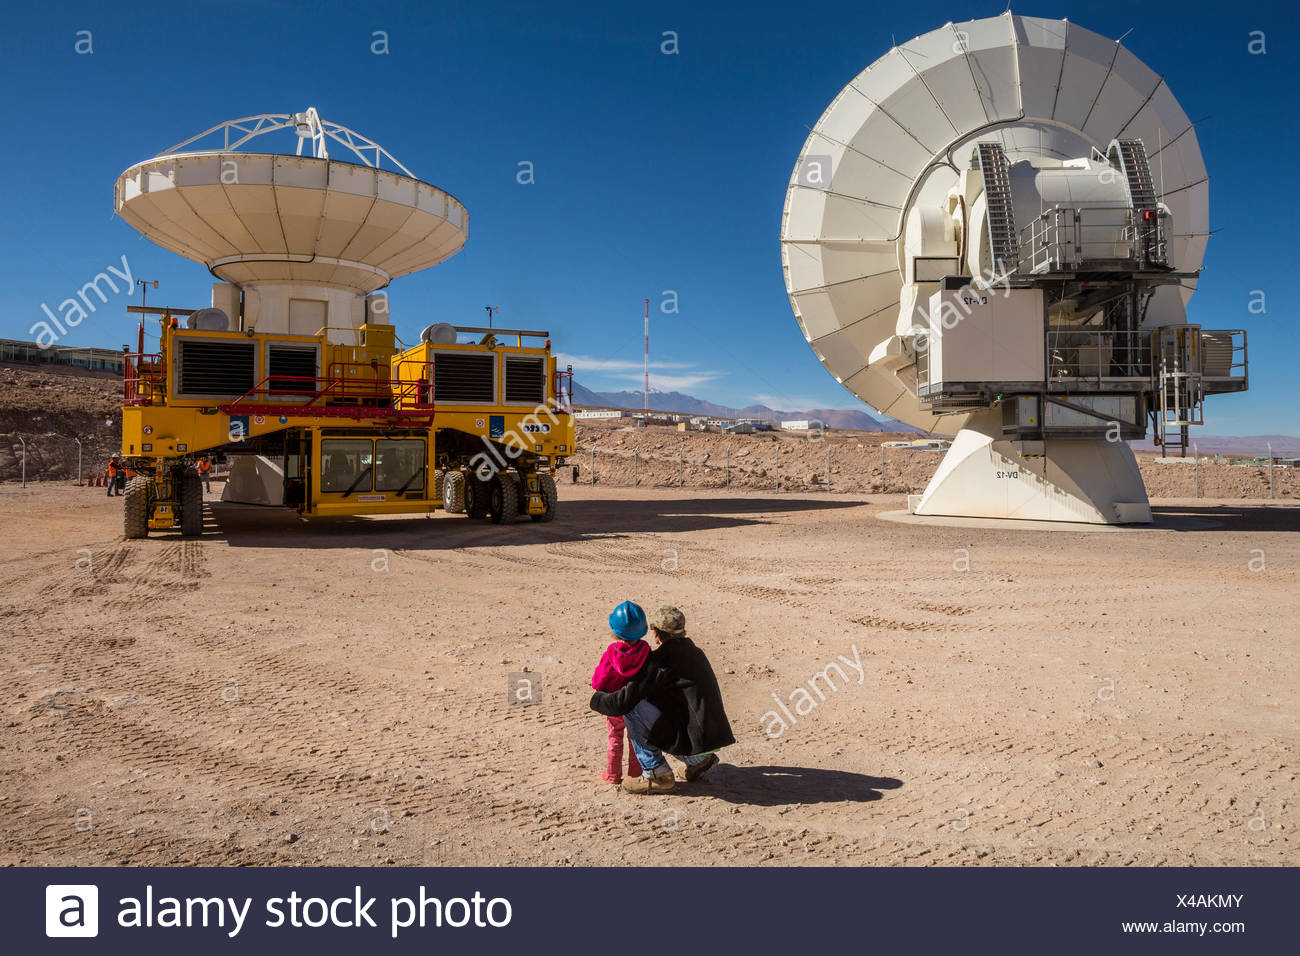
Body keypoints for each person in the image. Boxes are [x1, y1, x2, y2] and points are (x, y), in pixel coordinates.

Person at [589, 605, 735, 794]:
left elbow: (624, 701)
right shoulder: (696, 653)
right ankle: (700, 761)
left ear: (657, 633)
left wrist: (597, 699)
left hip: (691, 737)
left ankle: (656, 773)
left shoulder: (660, 662)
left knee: (632, 708)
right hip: (709, 736)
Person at [590, 601, 649, 786]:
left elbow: (599, 679)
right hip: (637, 705)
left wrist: (600, 690)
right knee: (636, 741)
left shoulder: (611, 652)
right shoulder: (645, 650)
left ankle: (613, 775)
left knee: (615, 739)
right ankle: (635, 775)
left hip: (615, 705)